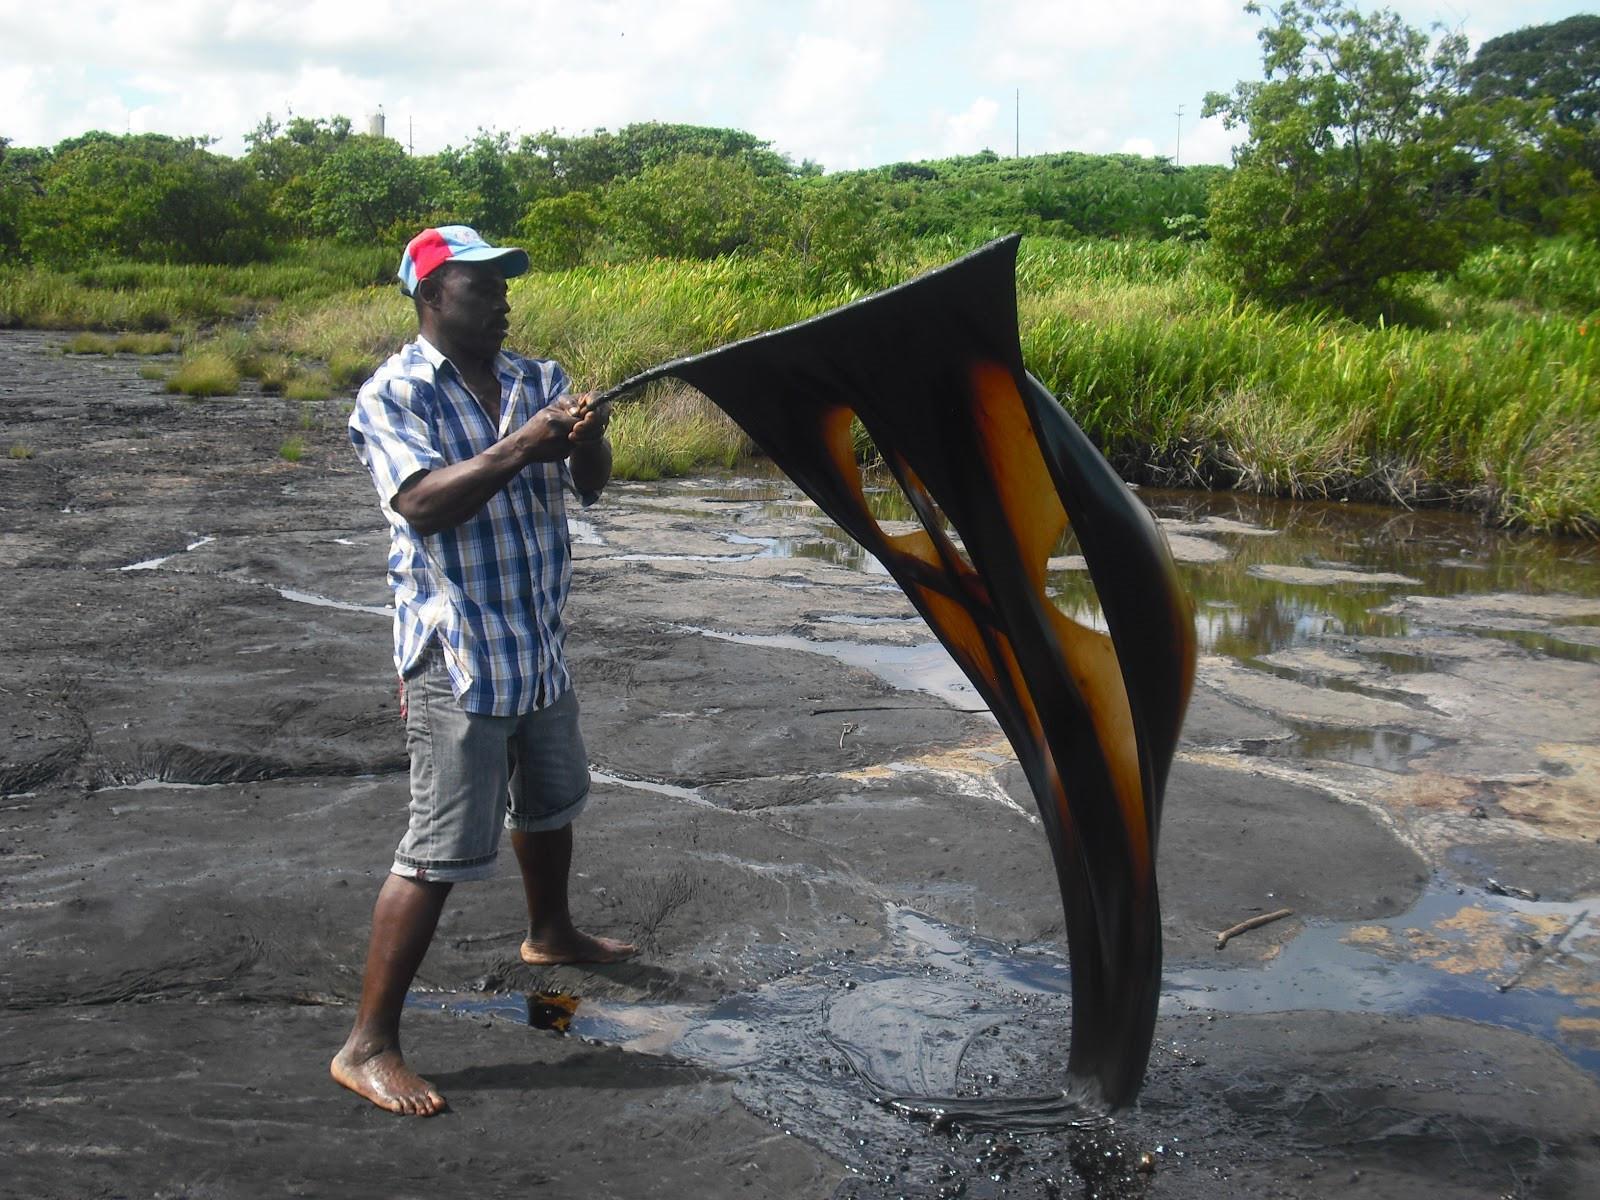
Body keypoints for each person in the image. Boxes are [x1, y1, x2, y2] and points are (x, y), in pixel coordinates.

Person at [333, 225, 634, 1117]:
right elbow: (423, 504)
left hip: (536, 635)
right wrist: (520, 447)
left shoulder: (537, 379)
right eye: (482, 286)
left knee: (550, 800)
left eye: (506, 285)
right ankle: (367, 1046)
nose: (503, 300)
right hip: (455, 649)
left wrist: (585, 439)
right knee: (437, 848)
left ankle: (550, 936)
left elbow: (591, 488)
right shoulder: (394, 391)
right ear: (430, 295)